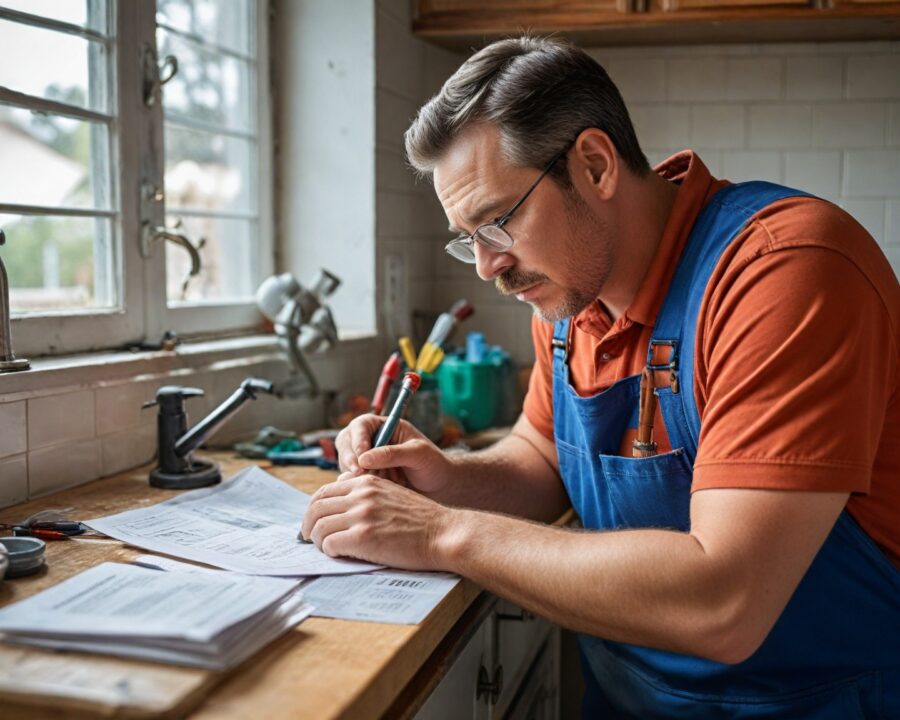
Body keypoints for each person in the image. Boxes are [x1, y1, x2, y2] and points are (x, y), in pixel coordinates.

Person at [300, 36, 900, 718]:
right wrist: (443, 477)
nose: (487, 267)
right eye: (467, 237)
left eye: (498, 222)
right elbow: (542, 455)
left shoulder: (786, 273)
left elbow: (727, 601)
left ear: (594, 164)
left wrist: (441, 532)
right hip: (629, 700)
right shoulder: (568, 295)